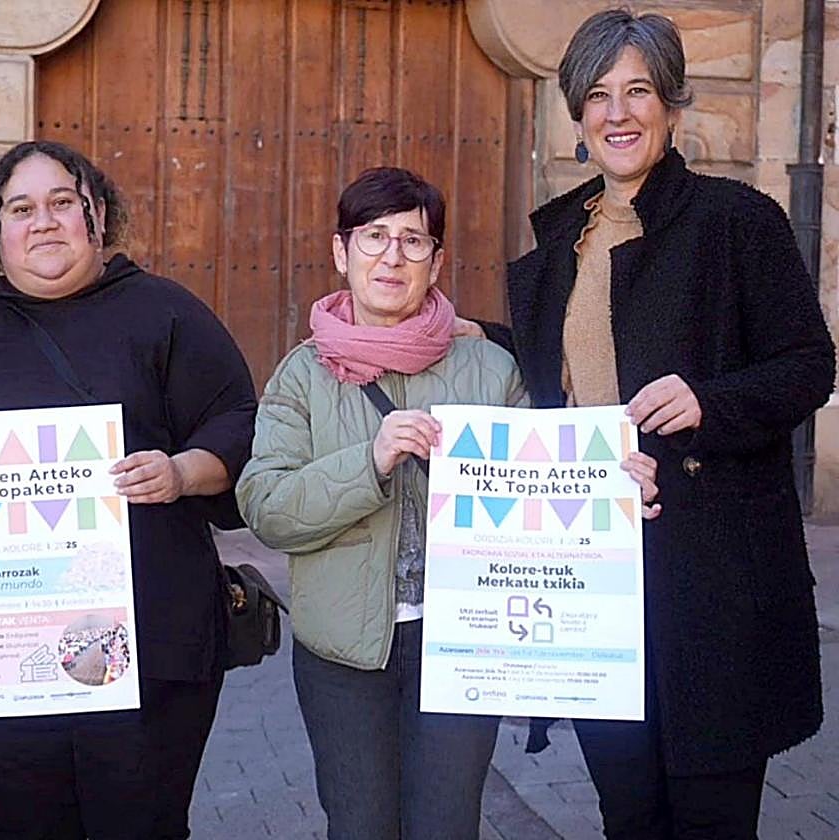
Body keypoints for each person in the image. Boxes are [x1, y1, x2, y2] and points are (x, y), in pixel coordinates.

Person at [468, 10, 836, 838]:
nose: (618, 112)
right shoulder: (561, 241)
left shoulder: (736, 223)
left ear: (673, 105)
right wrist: (470, 334)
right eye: (597, 95)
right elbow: (563, 381)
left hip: (712, 581)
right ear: (576, 116)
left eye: (638, 90)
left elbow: (808, 364)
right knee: (628, 813)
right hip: (593, 577)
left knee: (708, 817)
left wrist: (711, 403)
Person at [235, 166, 661, 840]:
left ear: (436, 262)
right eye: (374, 237)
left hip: (463, 644)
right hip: (344, 655)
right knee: (359, 824)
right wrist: (368, 461)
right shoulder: (302, 373)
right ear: (341, 252)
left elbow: (545, 481)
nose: (392, 256)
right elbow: (267, 505)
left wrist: (612, 485)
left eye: (413, 240)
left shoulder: (491, 370)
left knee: (446, 823)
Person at [0, 139, 256, 840]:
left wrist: (181, 472)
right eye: (22, 208)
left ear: (96, 216)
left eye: (64, 202)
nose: (45, 221)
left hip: (151, 650)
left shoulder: (164, 314)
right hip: (4, 659)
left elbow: (239, 427)